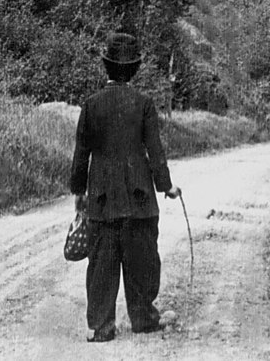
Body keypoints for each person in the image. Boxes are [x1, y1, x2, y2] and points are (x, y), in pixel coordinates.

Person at [70, 32, 181, 343]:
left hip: (103, 199)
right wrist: (167, 186)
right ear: (133, 69)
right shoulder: (144, 104)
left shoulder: (91, 106)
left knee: (101, 263)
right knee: (143, 258)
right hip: (139, 197)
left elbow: (82, 154)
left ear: (107, 67)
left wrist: (79, 193)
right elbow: (155, 152)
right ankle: (143, 317)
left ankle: (103, 327)